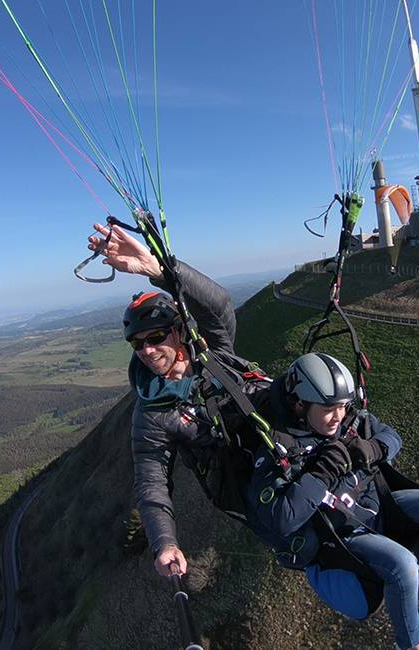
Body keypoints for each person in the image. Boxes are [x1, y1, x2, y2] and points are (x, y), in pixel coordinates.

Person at [246, 352, 419, 650]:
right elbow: (281, 519)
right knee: (404, 565)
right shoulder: (280, 448)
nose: (338, 415)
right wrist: (322, 473)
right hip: (342, 534)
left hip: (376, 506)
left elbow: (392, 436)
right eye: (328, 408)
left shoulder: (346, 421)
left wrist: (371, 449)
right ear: (299, 404)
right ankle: (412, 645)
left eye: (343, 406)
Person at [87, 222, 266, 579]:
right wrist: (165, 543)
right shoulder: (151, 412)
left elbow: (218, 306)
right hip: (247, 482)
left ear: (180, 331)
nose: (148, 350)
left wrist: (160, 269)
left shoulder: (214, 352)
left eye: (155, 337)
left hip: (284, 442)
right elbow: (151, 481)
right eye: (138, 344)